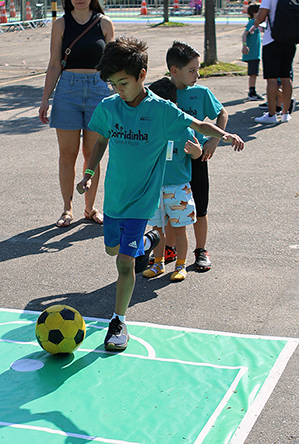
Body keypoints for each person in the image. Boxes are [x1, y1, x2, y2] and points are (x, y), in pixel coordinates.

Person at [77, 38, 244, 353]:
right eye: (113, 84)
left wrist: (225, 134)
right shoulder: (109, 107)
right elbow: (100, 141)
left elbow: (199, 124)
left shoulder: (161, 110)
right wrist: (88, 173)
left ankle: (118, 321)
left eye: (123, 83)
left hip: (142, 202)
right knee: (112, 250)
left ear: (141, 75)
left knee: (125, 264)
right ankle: (152, 240)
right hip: (115, 199)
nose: (118, 90)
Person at [38, 0, 115, 227]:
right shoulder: (61, 24)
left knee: (92, 154)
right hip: (67, 91)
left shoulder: (104, 23)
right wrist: (45, 99)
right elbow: (54, 64)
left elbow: (113, 63)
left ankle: (90, 208)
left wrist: (121, 95)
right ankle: (67, 209)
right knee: (67, 154)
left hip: (98, 89)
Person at [166, 42, 229, 273]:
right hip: (170, 160)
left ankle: (201, 250)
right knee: (169, 204)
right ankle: (169, 248)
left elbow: (222, 113)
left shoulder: (201, 93)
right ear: (174, 71)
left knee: (199, 207)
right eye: (192, 70)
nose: (197, 75)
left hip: (197, 157)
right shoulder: (162, 92)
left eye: (198, 69)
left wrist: (213, 140)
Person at [143, 78, 203, 282]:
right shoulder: (148, 128)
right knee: (157, 230)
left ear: (172, 105)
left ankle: (181, 265)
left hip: (178, 189)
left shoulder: (184, 128)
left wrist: (197, 151)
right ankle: (158, 263)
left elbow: (196, 154)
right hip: (154, 188)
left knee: (179, 230)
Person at [252, 0, 299, 125]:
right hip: (291, 40)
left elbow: (262, 16)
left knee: (272, 79)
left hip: (272, 40)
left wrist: (255, 23)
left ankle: (272, 114)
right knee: (286, 77)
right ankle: (286, 113)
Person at [242, 3, 263, 100]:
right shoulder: (253, 23)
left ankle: (252, 90)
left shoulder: (255, 24)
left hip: (255, 53)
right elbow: (245, 34)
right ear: (255, 13)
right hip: (252, 53)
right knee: (253, 73)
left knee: (254, 73)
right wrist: (244, 45)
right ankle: (252, 91)